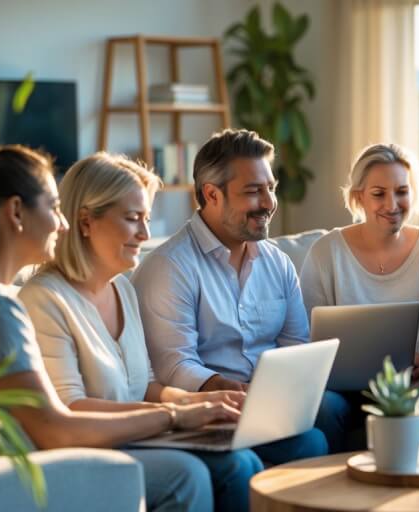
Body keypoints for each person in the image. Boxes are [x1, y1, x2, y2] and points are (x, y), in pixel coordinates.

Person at [0, 128, 237, 512]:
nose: (61, 225)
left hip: (8, 464)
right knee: (187, 474)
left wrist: (188, 406)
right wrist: (175, 415)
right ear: (16, 212)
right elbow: (55, 428)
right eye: (52, 207)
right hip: (17, 475)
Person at [18, 152, 263, 512]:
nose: (145, 234)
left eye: (146, 219)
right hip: (93, 449)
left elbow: (145, 384)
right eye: (133, 219)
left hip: (142, 435)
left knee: (246, 461)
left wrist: (198, 401)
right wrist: (175, 416)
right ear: (85, 221)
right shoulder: (44, 300)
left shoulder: (124, 289)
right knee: (222, 470)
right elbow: (70, 407)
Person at [132, 129, 328, 464]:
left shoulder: (277, 262)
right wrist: (227, 388)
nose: (268, 203)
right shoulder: (170, 267)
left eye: (270, 189)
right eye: (253, 192)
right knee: (276, 453)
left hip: (267, 404)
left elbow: (297, 342)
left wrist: (288, 387)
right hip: (204, 410)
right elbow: (173, 365)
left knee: (321, 427)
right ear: (212, 194)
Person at [300, 143, 419, 452]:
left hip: (409, 384)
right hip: (341, 387)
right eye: (378, 194)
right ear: (358, 197)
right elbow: (307, 335)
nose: (392, 204)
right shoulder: (325, 252)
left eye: (402, 192)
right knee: (325, 407)